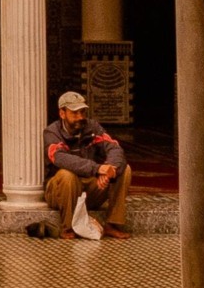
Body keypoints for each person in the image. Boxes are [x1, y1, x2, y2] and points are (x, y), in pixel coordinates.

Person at [35, 89, 132, 241]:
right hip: (60, 191)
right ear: (62, 113)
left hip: (89, 188)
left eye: (82, 112)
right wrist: (97, 169)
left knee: (123, 169)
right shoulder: (52, 132)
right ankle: (67, 227)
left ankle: (113, 224)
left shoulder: (92, 127)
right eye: (74, 113)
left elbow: (114, 147)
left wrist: (110, 168)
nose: (80, 117)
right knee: (67, 174)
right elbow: (60, 158)